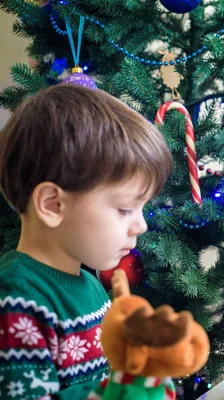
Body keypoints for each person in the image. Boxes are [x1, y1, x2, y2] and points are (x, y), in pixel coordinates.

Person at [0, 84, 172, 398]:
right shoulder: (16, 301)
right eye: (124, 209)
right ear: (53, 205)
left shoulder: (89, 285)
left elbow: (112, 372)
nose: (141, 225)